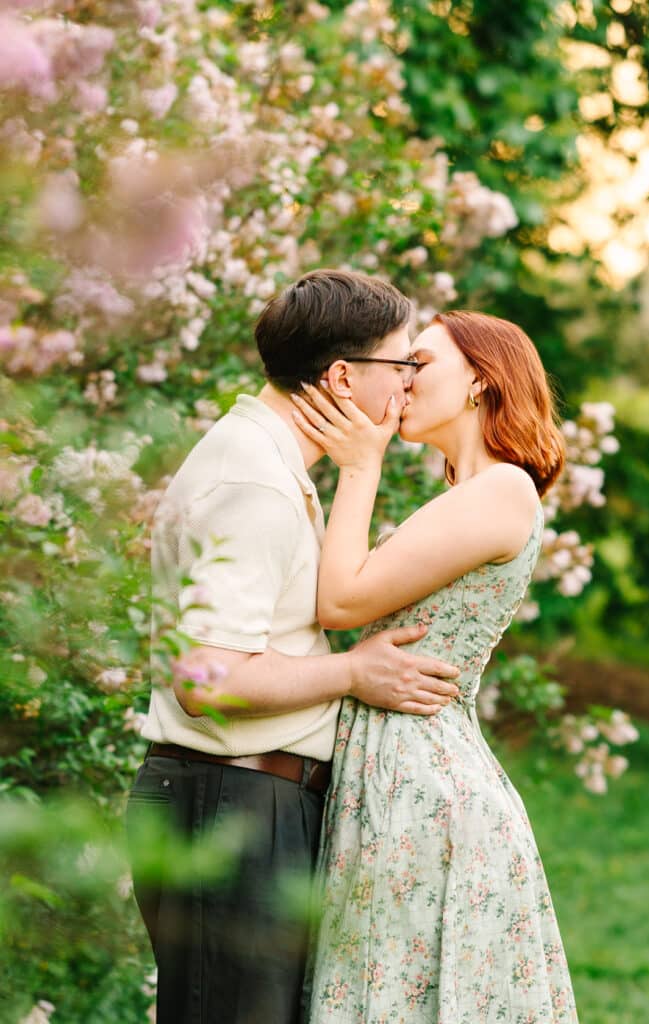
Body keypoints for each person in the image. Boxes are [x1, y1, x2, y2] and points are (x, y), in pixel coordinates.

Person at [126, 270, 461, 1024]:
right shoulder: (255, 484)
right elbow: (205, 679)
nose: (408, 387)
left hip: (242, 801)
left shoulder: (269, 465)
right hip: (228, 808)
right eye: (402, 366)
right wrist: (354, 672)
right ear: (344, 375)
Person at [293, 311, 579, 1023]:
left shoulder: (502, 490)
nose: (403, 378)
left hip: (425, 793)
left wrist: (361, 465)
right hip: (394, 778)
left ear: (480, 379)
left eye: (420, 362)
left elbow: (341, 599)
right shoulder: (465, 497)